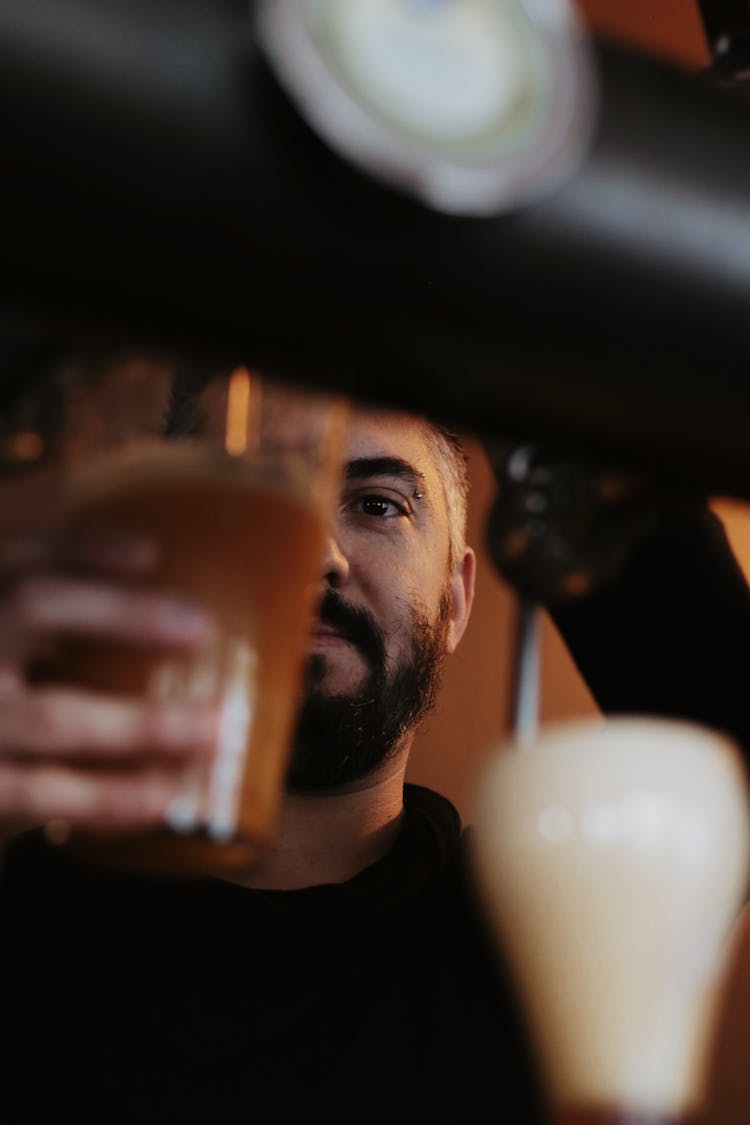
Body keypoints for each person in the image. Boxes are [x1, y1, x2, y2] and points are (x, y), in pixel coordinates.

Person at [2, 359, 750, 1124]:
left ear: (455, 598)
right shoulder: (25, 920)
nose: (316, 551)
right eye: (260, 490)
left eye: (376, 504)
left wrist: (551, 392)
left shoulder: (549, 934)